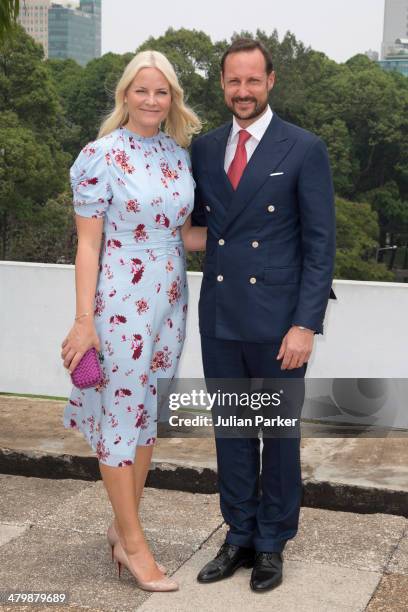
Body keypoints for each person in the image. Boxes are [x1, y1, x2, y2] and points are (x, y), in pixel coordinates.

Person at [191, 38, 336, 592]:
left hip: (280, 324)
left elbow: (320, 245)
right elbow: (200, 227)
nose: (243, 91)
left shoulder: (302, 147)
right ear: (223, 84)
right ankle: (239, 535)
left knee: (277, 435)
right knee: (231, 431)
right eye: (234, 81)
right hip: (222, 316)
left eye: (253, 81)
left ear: (271, 81)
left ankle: (272, 543)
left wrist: (305, 323)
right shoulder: (204, 149)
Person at [60, 50, 205, 593]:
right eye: (142, 90)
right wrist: (83, 321)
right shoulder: (101, 156)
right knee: (121, 417)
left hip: (170, 302)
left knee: (146, 417)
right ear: (125, 94)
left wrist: (252, 240)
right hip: (120, 302)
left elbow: (183, 235)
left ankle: (123, 529)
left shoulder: (177, 154)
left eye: (161, 92)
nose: (151, 100)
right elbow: (88, 245)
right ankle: (134, 543)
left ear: (172, 100)